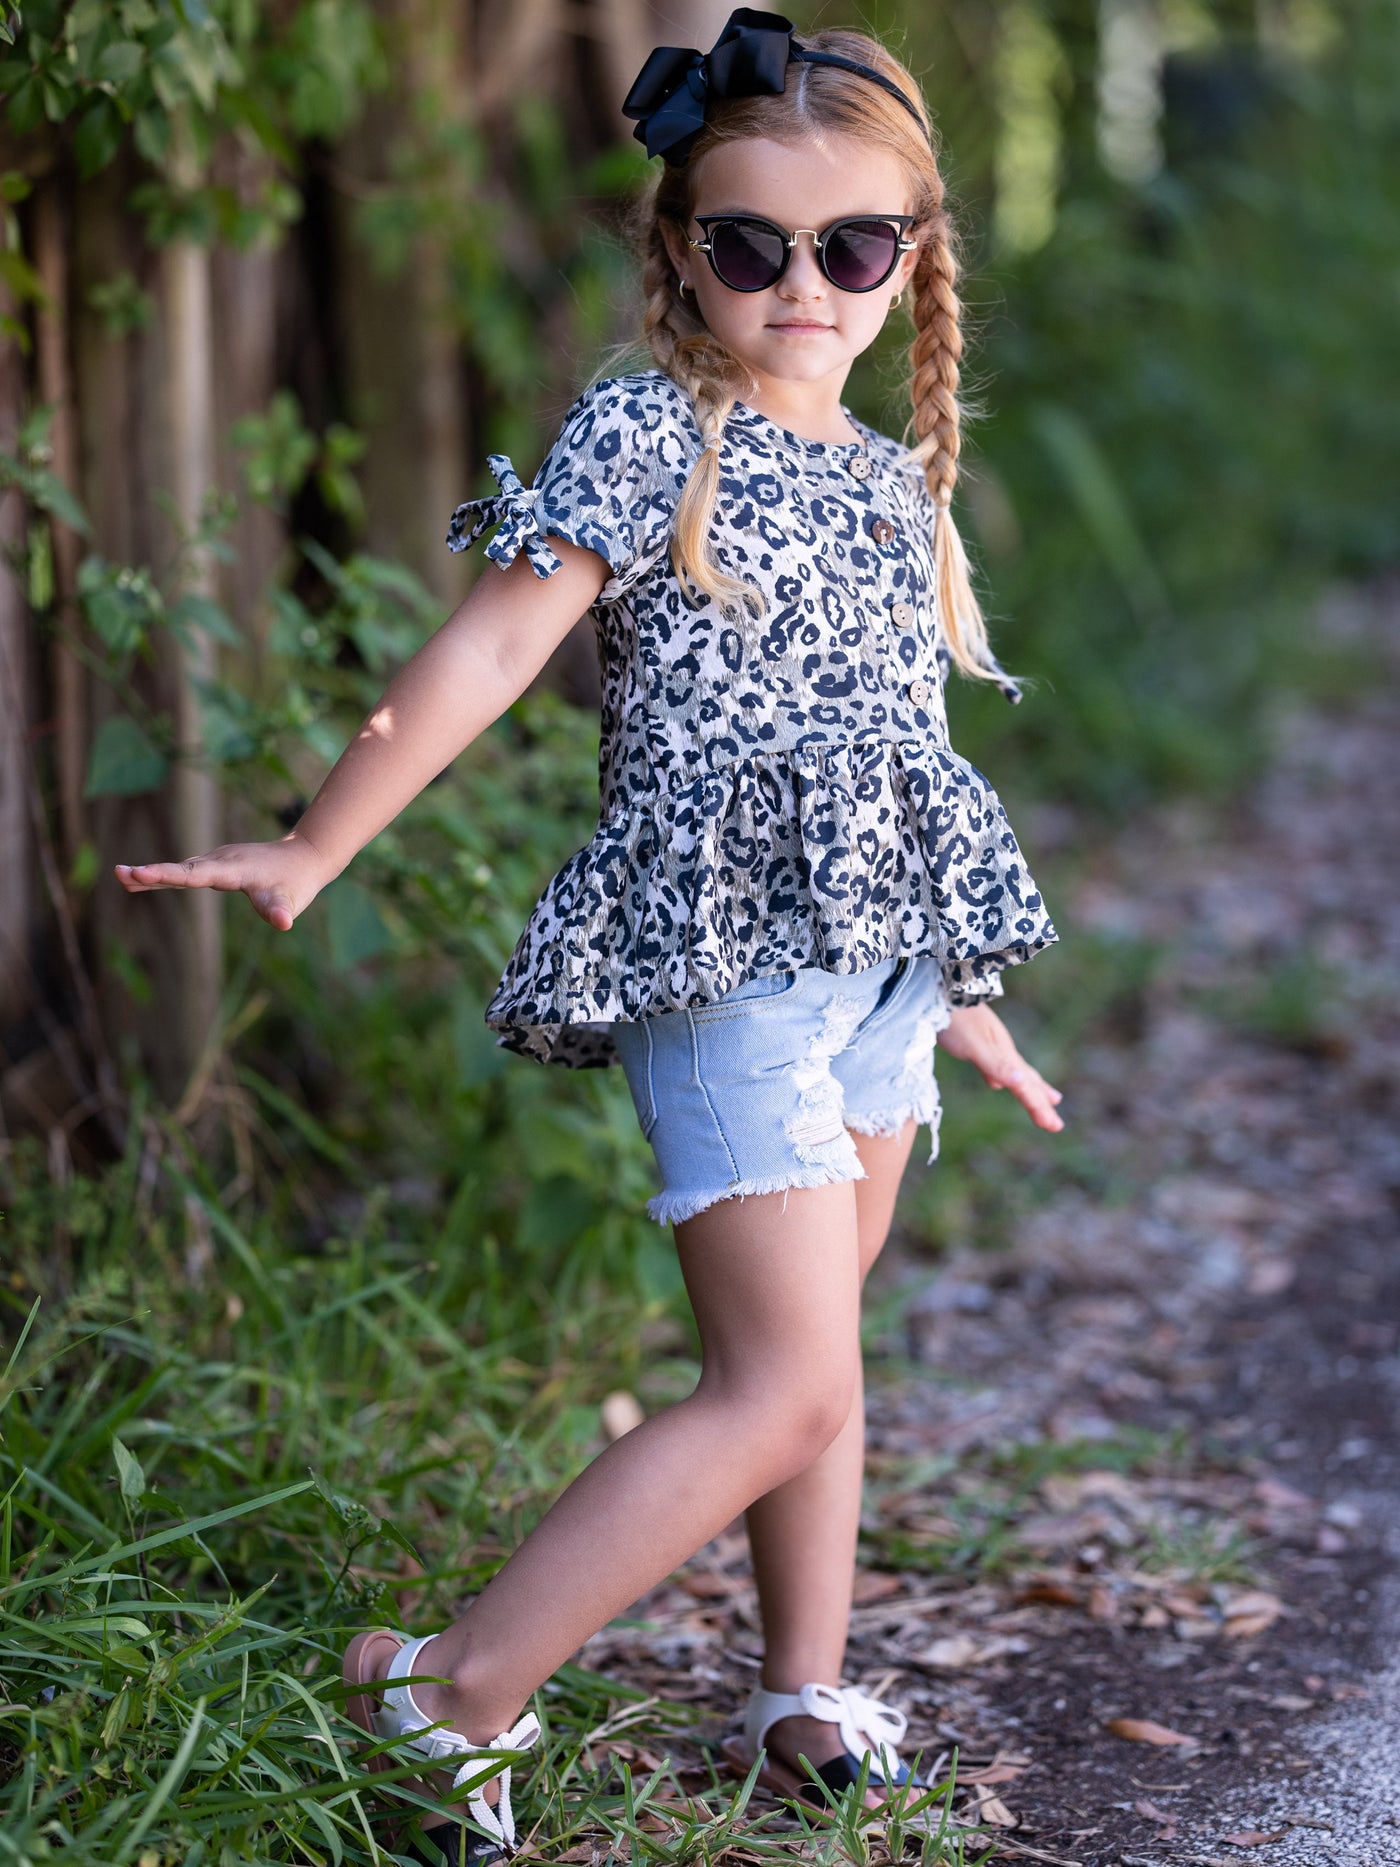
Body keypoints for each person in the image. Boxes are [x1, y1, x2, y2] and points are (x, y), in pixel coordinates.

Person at [116, 10, 1064, 1863]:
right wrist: (319, 839)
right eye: (752, 244)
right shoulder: (649, 433)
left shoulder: (896, 483)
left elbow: (903, 771)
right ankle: (446, 1686)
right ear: (683, 251)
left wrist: (962, 994)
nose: (803, 285)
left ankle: (801, 1693)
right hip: (724, 974)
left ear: (913, 257)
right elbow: (488, 650)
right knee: (779, 1382)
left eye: (853, 246)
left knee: (820, 1364)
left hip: (880, 981)